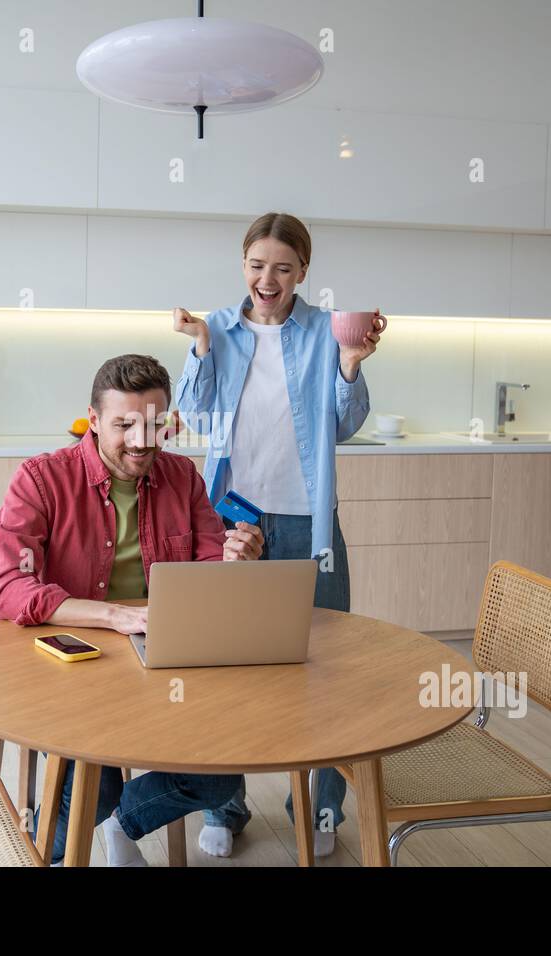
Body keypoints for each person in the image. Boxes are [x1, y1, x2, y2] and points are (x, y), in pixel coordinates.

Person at [0, 353, 266, 866]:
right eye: (124, 424)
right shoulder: (42, 479)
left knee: (222, 772)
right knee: (95, 788)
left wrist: (232, 559)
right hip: (75, 666)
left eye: (155, 424)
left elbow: (208, 572)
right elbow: (6, 587)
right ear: (92, 421)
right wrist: (114, 615)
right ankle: (45, 853)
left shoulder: (182, 477)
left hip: (165, 662)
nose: (141, 440)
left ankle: (124, 823)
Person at [173, 211, 380, 859]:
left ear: (302, 273)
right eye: (258, 265)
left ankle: (315, 809)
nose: (269, 278)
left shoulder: (324, 331)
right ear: (244, 266)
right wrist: (201, 347)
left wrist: (349, 363)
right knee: (227, 668)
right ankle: (224, 804)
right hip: (233, 519)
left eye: (283, 268)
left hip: (309, 522)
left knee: (324, 667)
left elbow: (344, 424)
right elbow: (196, 416)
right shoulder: (220, 329)